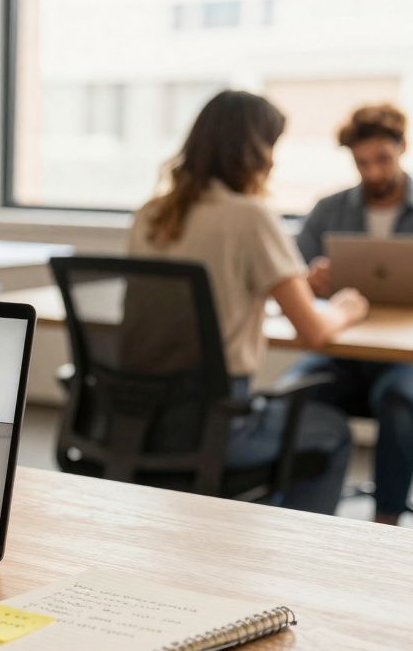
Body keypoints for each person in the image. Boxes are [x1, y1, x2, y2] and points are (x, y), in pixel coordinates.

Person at [127, 89, 370, 515]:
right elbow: (312, 330)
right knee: (332, 432)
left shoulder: (151, 214)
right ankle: (293, 558)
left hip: (135, 421)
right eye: (271, 146)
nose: (274, 160)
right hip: (215, 426)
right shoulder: (250, 217)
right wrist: (348, 307)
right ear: (254, 150)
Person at [290, 104, 413, 524]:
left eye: (383, 159)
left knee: (400, 399)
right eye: (363, 163)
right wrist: (311, 280)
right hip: (341, 347)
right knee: (295, 389)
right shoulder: (329, 209)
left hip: (404, 358)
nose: (374, 172)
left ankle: (387, 517)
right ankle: (297, 512)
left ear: (402, 148)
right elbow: (290, 277)